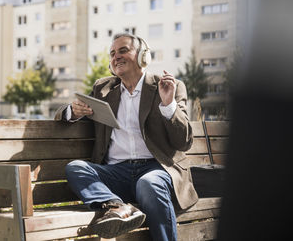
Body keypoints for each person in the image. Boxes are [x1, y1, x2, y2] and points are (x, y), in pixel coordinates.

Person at [55, 33, 198, 240]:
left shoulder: (168, 86)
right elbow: (64, 115)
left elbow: (184, 141)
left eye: (123, 51)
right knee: (76, 167)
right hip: (116, 173)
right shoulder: (103, 89)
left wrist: (169, 106)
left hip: (156, 169)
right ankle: (118, 207)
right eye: (112, 54)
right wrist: (73, 111)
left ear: (143, 57)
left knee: (149, 184)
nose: (116, 57)